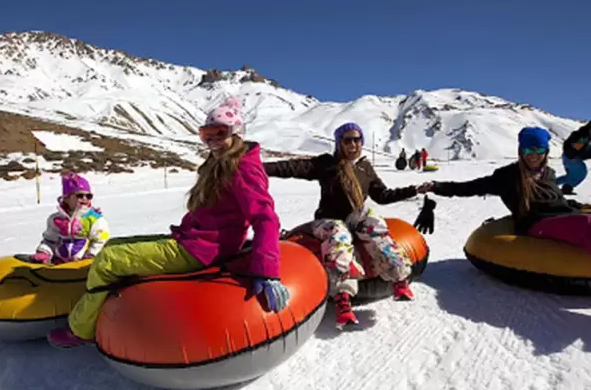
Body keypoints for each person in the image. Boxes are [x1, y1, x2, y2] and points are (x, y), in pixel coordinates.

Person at [47, 96, 290, 348]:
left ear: (236, 133)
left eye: (219, 132)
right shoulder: (220, 163)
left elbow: (265, 217)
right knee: (112, 247)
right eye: (206, 134)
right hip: (193, 240)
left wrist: (267, 271)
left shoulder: (242, 167)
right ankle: (95, 302)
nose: (212, 139)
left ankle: (80, 329)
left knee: (108, 261)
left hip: (202, 250)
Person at [263, 122, 433, 330]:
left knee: (373, 223)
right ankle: (343, 296)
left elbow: (382, 195)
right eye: (347, 140)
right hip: (328, 220)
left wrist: (414, 190)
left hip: (355, 218)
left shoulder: (365, 167)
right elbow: (290, 167)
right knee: (339, 234)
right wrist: (259, 167)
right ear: (339, 143)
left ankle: (398, 276)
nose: (353, 144)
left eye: (357, 139)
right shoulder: (327, 164)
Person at [429, 126, 591, 253]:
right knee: (587, 224)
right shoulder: (508, 175)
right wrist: (437, 187)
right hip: (537, 224)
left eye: (539, 150)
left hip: (563, 217)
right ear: (520, 152)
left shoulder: (548, 173)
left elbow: (555, 202)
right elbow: (471, 187)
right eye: (528, 150)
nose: (533, 155)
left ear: (546, 152)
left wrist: (577, 206)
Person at [31, 172, 110, 264]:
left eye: (88, 196)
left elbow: (101, 240)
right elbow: (50, 240)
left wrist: (91, 255)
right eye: (79, 195)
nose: (85, 199)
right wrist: (44, 252)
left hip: (85, 262)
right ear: (67, 198)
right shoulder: (56, 219)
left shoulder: (94, 219)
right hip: (60, 261)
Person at [555, 121, 591, 194]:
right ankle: (550, 185)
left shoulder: (584, 133)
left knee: (572, 176)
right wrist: (572, 156)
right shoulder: (584, 135)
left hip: (569, 157)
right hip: (571, 158)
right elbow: (576, 147)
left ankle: (566, 188)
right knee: (579, 174)